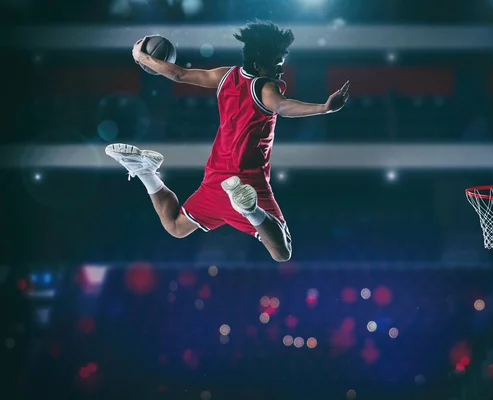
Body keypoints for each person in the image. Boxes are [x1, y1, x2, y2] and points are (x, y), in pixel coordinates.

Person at [106, 20, 350, 262]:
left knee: (175, 227)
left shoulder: (225, 75)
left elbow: (179, 74)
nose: (280, 71)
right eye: (277, 65)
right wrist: (325, 108)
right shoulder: (266, 88)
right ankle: (250, 210)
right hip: (248, 182)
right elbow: (284, 107)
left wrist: (142, 56)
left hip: (216, 179)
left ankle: (144, 171)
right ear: (258, 65)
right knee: (282, 252)